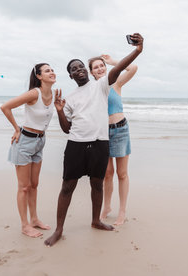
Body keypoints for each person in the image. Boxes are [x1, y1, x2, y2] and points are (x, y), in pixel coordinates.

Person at [44, 33, 144, 247]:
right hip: (76, 145)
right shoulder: (69, 98)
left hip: (100, 143)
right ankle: (59, 229)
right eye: (74, 69)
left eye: (80, 66)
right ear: (71, 76)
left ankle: (96, 220)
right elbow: (66, 128)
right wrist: (60, 110)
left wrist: (137, 50)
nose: (78, 70)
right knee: (67, 187)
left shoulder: (101, 85)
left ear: (86, 71)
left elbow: (120, 69)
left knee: (97, 184)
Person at [0, 63, 56, 238]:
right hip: (25, 142)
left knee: (34, 185)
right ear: (39, 76)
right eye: (47, 70)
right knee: (24, 187)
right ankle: (25, 225)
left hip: (40, 142)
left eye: (52, 69)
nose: (52, 72)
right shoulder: (34, 93)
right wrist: (17, 129)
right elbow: (5, 107)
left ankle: (34, 219)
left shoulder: (53, 94)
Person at [88, 54, 137, 225]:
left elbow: (133, 68)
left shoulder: (115, 83)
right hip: (102, 133)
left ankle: (122, 211)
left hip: (121, 130)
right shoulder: (92, 89)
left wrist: (112, 62)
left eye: (102, 65)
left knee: (122, 173)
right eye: (96, 67)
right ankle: (106, 207)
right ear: (92, 73)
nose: (100, 69)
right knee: (107, 174)